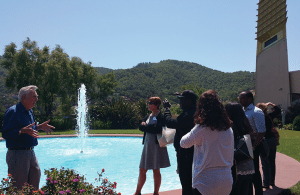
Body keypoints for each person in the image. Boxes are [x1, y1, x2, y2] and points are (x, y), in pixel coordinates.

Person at [180, 90, 234, 195]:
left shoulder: (202, 128)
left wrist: (197, 125)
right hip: (226, 180)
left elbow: (183, 143)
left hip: (205, 182)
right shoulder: (228, 129)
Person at [2, 85, 55, 190]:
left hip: (30, 153)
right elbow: (5, 133)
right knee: (18, 187)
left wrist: (39, 127)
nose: (37, 99)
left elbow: (29, 129)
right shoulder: (13, 111)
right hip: (17, 154)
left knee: (35, 182)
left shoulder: (29, 111)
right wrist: (21, 131)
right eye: (34, 96)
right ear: (24, 98)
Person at [134, 97, 170, 195]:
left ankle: (156, 192)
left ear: (157, 105)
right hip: (147, 146)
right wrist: (148, 127)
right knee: (142, 169)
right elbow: (140, 127)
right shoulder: (147, 116)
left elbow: (157, 129)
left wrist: (146, 127)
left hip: (156, 145)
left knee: (156, 169)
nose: (149, 104)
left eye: (151, 103)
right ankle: (137, 192)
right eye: (148, 102)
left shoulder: (160, 116)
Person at [163, 90, 197, 195]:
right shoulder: (196, 112)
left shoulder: (189, 114)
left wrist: (167, 110)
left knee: (186, 180)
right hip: (194, 151)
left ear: (189, 101)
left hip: (186, 153)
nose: (180, 102)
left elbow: (170, 123)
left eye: (182, 100)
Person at [238, 91, 266, 195]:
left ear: (249, 99)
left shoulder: (256, 112)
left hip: (253, 145)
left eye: (242, 98)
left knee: (254, 172)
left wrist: (254, 147)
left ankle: (259, 192)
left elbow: (261, 132)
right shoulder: (242, 110)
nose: (239, 100)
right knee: (247, 172)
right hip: (245, 144)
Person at [225, 103, 255, 195]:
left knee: (235, 190)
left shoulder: (230, 127)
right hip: (248, 162)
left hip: (237, 165)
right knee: (246, 189)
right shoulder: (246, 123)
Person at [256, 102, 281, 188]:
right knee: (272, 161)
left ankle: (265, 183)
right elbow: (278, 110)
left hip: (264, 141)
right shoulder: (269, 116)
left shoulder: (259, 118)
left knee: (265, 162)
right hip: (272, 140)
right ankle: (271, 181)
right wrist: (271, 104)